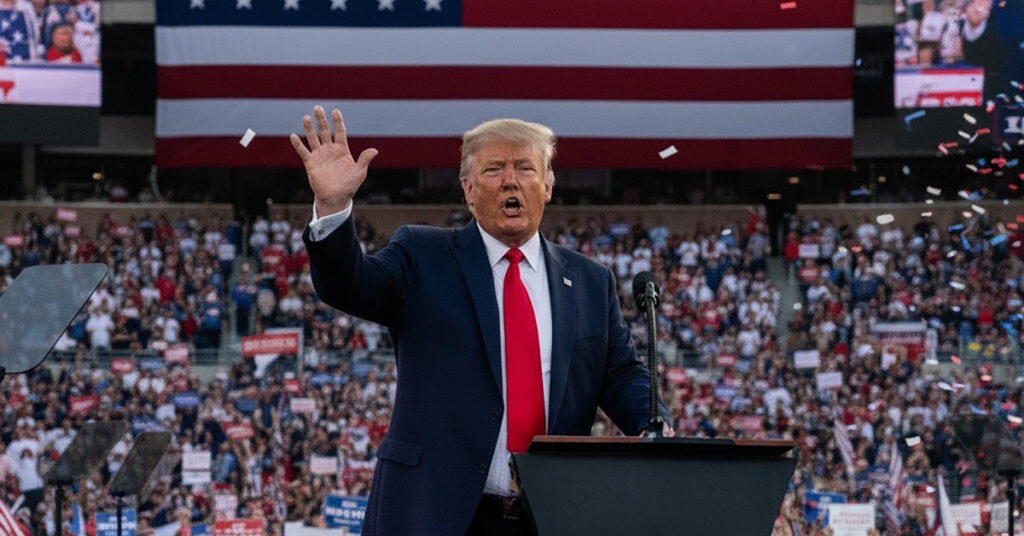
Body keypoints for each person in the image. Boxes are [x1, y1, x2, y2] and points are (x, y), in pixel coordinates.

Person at [291, 106, 671, 536]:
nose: (511, 180)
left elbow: (619, 373)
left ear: (547, 186)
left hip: (548, 516)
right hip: (435, 513)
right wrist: (334, 206)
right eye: (494, 169)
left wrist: (654, 422)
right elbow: (348, 286)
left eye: (525, 167)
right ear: (468, 190)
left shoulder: (588, 280)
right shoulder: (422, 254)